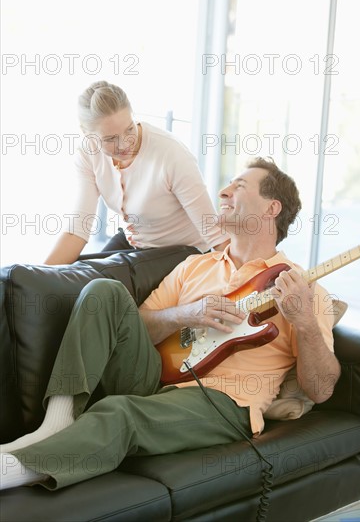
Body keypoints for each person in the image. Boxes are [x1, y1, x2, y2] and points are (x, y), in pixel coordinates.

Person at [0, 157, 341, 490]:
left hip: (224, 401)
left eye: (238, 186)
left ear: (272, 209)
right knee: (104, 290)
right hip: (156, 377)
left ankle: (14, 471)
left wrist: (305, 322)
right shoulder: (195, 265)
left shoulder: (305, 290)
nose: (222, 192)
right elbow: (139, 323)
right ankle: (56, 422)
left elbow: (321, 389)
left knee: (121, 413)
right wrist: (186, 313)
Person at [44, 81, 229, 264]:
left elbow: (214, 234)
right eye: (110, 138)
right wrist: (34, 277)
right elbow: (78, 229)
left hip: (181, 252)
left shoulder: (172, 155)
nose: (124, 144)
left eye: (129, 129)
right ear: (86, 133)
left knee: (94, 280)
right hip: (135, 243)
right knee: (75, 272)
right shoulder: (88, 153)